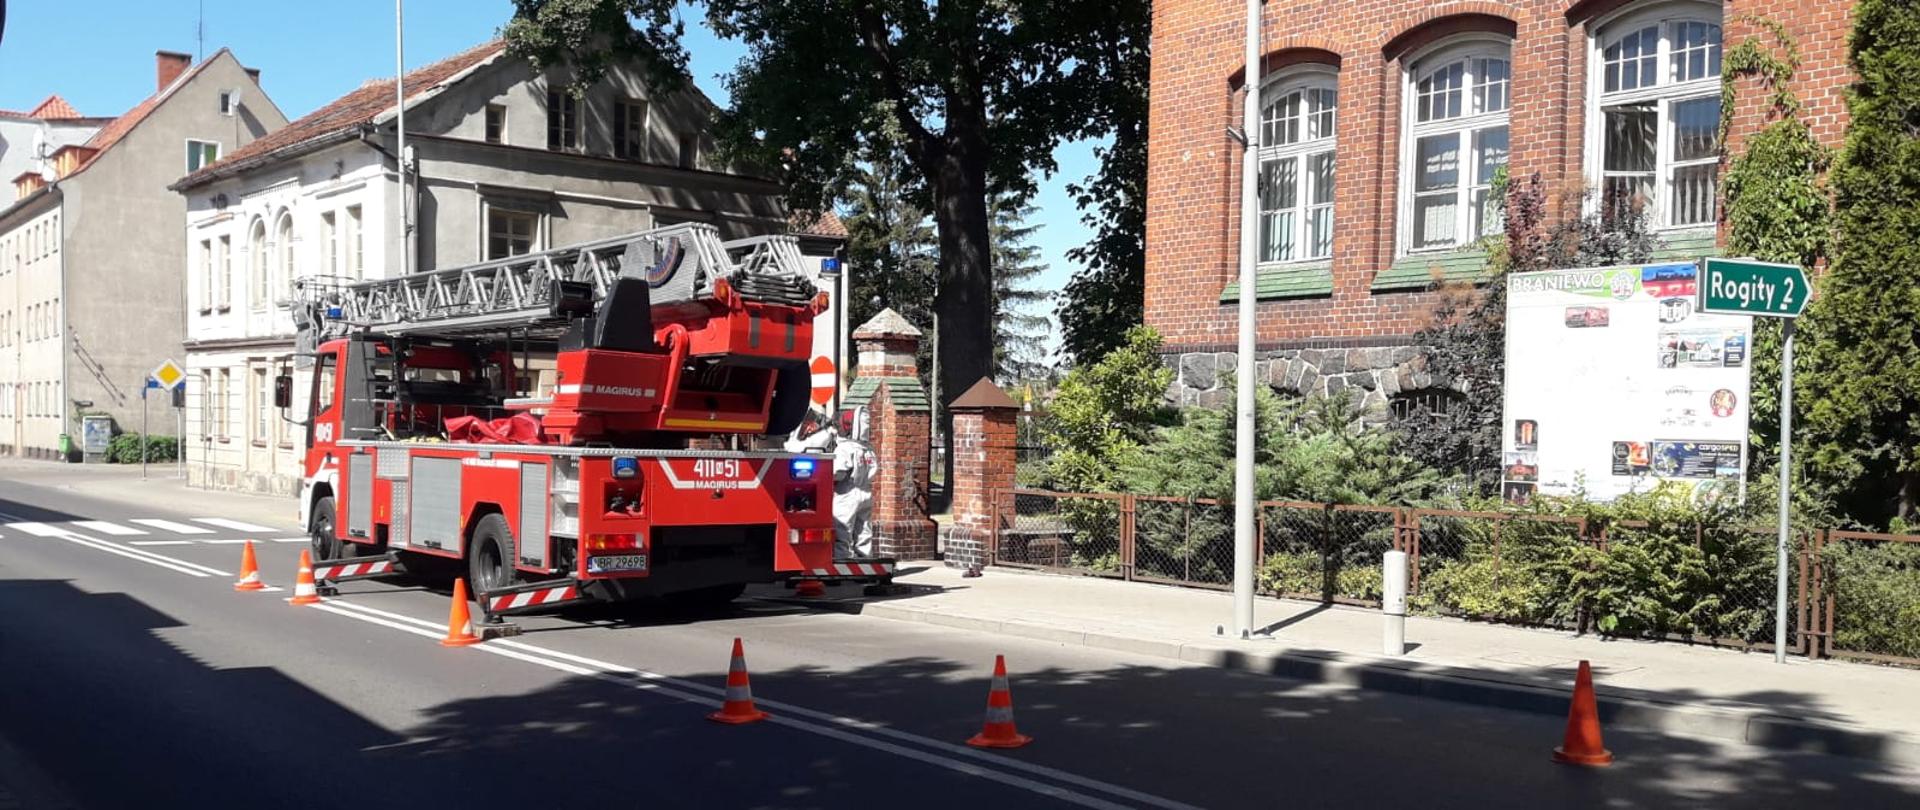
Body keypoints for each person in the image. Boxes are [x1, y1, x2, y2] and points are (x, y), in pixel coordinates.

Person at [832, 405, 878, 558]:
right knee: (864, 529)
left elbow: (837, 473)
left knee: (842, 528)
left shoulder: (845, 448)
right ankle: (865, 559)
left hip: (847, 493)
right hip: (866, 491)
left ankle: (842, 560)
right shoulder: (868, 449)